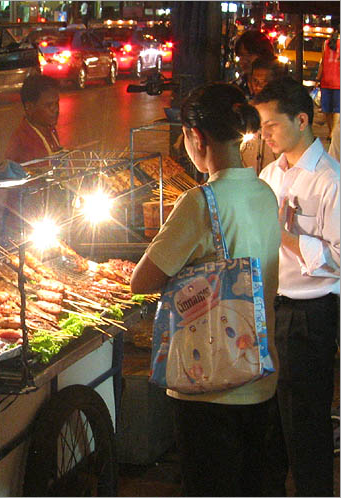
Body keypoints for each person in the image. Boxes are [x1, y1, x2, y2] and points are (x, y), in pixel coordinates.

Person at [130, 83, 281, 496]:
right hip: (260, 372)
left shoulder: (200, 203)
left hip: (209, 383)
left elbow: (141, 280)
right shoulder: (265, 193)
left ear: (197, 137)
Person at [253, 76, 340, 497]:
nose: (263, 134)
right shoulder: (271, 172)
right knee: (271, 425)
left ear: (302, 120)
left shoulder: (329, 179)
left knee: (305, 426)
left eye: (271, 124)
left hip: (309, 316)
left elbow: (339, 259)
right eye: (260, 124)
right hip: (270, 306)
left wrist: (286, 235)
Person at [5, 74, 63, 167]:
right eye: (48, 105)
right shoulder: (22, 142)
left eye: (56, 103)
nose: (55, 109)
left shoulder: (49, 130)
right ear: (29, 107)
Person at [240, 55, 284, 173]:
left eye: (264, 82)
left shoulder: (284, 113)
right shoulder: (246, 111)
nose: (258, 86)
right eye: (255, 81)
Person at [232, 30, 275, 96]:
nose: (244, 60)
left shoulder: (276, 88)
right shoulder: (236, 88)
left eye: (249, 55)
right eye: (241, 55)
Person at [316, 29, 340, 139]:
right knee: (337, 109)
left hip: (326, 80)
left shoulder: (326, 44)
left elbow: (322, 62)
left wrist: (318, 78)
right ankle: (333, 133)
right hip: (338, 82)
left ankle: (331, 131)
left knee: (327, 109)